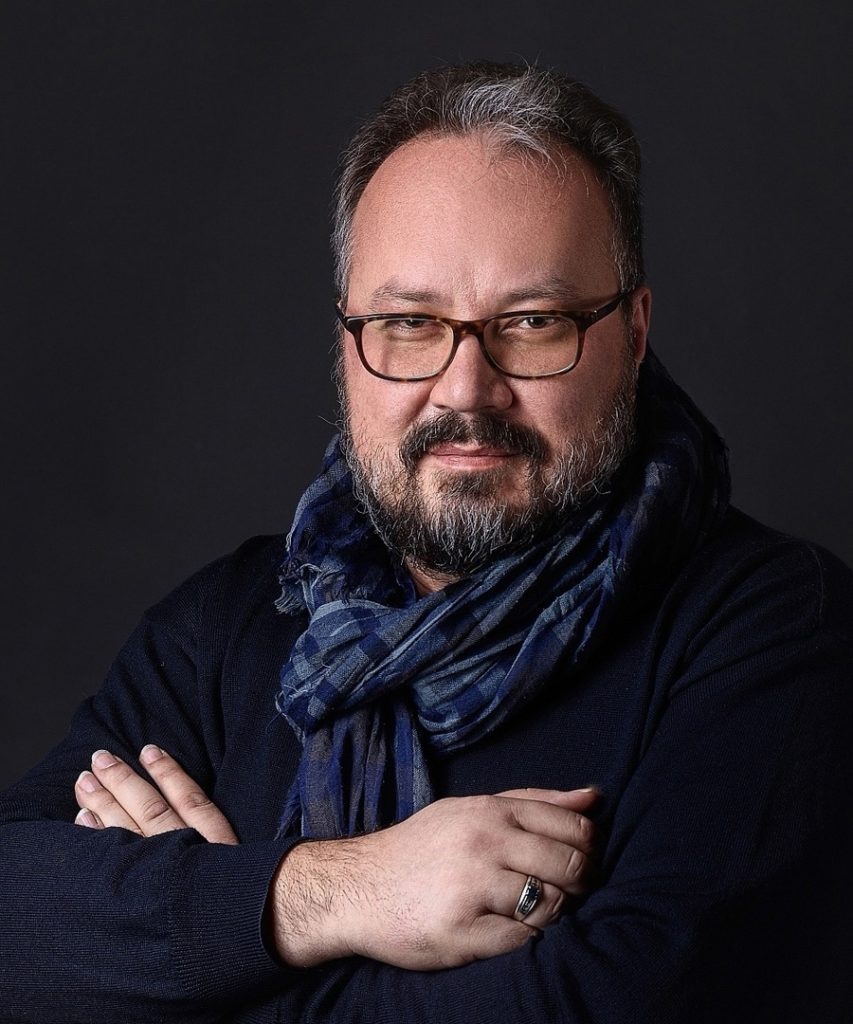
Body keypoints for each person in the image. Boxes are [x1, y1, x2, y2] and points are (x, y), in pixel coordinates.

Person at [1, 60, 852, 1024]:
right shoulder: (225, 627)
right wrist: (333, 892)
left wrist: (185, 962)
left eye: (531, 323)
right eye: (409, 323)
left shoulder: (776, 632)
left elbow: (616, 1003)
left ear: (634, 331)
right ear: (346, 339)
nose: (463, 390)